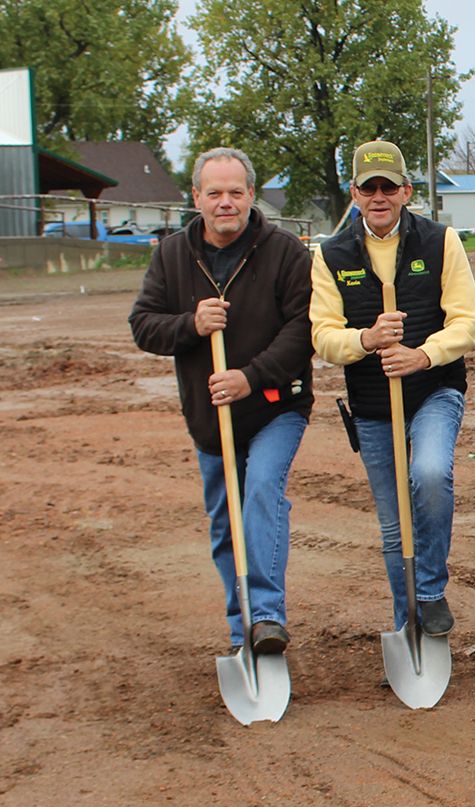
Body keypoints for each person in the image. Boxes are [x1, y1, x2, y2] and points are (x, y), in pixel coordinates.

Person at [129, 147, 313, 654]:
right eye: (214, 193)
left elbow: (303, 330)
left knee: (261, 494)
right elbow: (143, 325)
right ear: (197, 197)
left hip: (275, 405)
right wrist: (191, 323)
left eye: (235, 192)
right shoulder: (171, 254)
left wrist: (250, 378)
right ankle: (242, 628)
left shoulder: (284, 252)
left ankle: (267, 617)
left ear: (251, 195)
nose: (225, 202)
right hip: (210, 417)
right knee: (224, 522)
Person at [310, 139, 475, 637]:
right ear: (355, 193)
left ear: (406, 191)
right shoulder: (330, 254)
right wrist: (365, 339)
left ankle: (428, 592)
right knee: (393, 526)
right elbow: (322, 335)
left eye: (389, 187)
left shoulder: (440, 241)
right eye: (370, 188)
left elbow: (467, 322)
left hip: (434, 390)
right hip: (371, 404)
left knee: (429, 474)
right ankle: (407, 630)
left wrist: (421, 355)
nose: (379, 196)